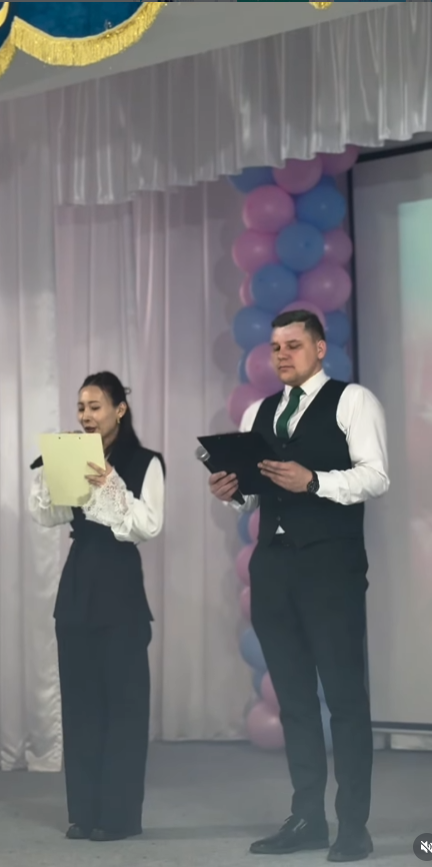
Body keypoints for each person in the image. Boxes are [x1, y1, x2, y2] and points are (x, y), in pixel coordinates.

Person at [209, 311, 389, 863]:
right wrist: (232, 491)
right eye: (275, 347)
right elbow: (252, 493)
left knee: (345, 699)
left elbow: (376, 475)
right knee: (294, 701)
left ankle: (353, 826)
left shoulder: (353, 400)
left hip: (330, 565)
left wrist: (315, 481)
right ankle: (308, 817)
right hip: (272, 568)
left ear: (320, 348)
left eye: (293, 345)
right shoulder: (259, 412)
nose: (282, 355)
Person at [29, 371, 165, 843]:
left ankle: (119, 817)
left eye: (95, 406)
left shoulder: (145, 462)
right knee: (81, 706)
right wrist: (53, 474)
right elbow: (48, 515)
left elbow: (147, 525)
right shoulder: (73, 453)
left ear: (119, 410)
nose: (86, 416)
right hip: (77, 586)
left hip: (121, 589)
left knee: (124, 708)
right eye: (81, 407)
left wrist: (110, 485)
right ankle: (84, 813)